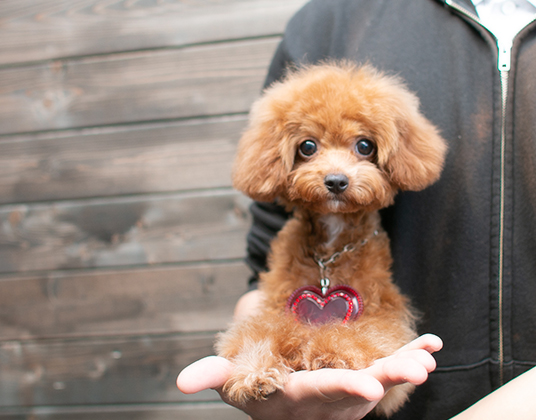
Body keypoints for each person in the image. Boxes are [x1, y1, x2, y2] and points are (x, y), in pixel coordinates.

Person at [177, 0, 536, 418]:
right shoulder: (327, 19)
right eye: (308, 148)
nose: (336, 172)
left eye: (362, 147)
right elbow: (261, 274)